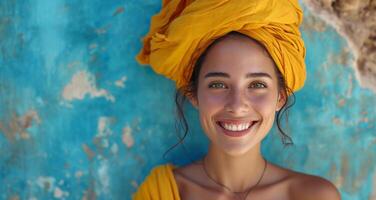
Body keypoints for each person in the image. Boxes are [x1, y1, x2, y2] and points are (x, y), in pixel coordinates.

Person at [133, 0, 341, 200]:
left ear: (280, 98)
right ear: (193, 95)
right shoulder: (160, 193)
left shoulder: (313, 196)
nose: (237, 105)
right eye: (218, 84)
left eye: (257, 85)